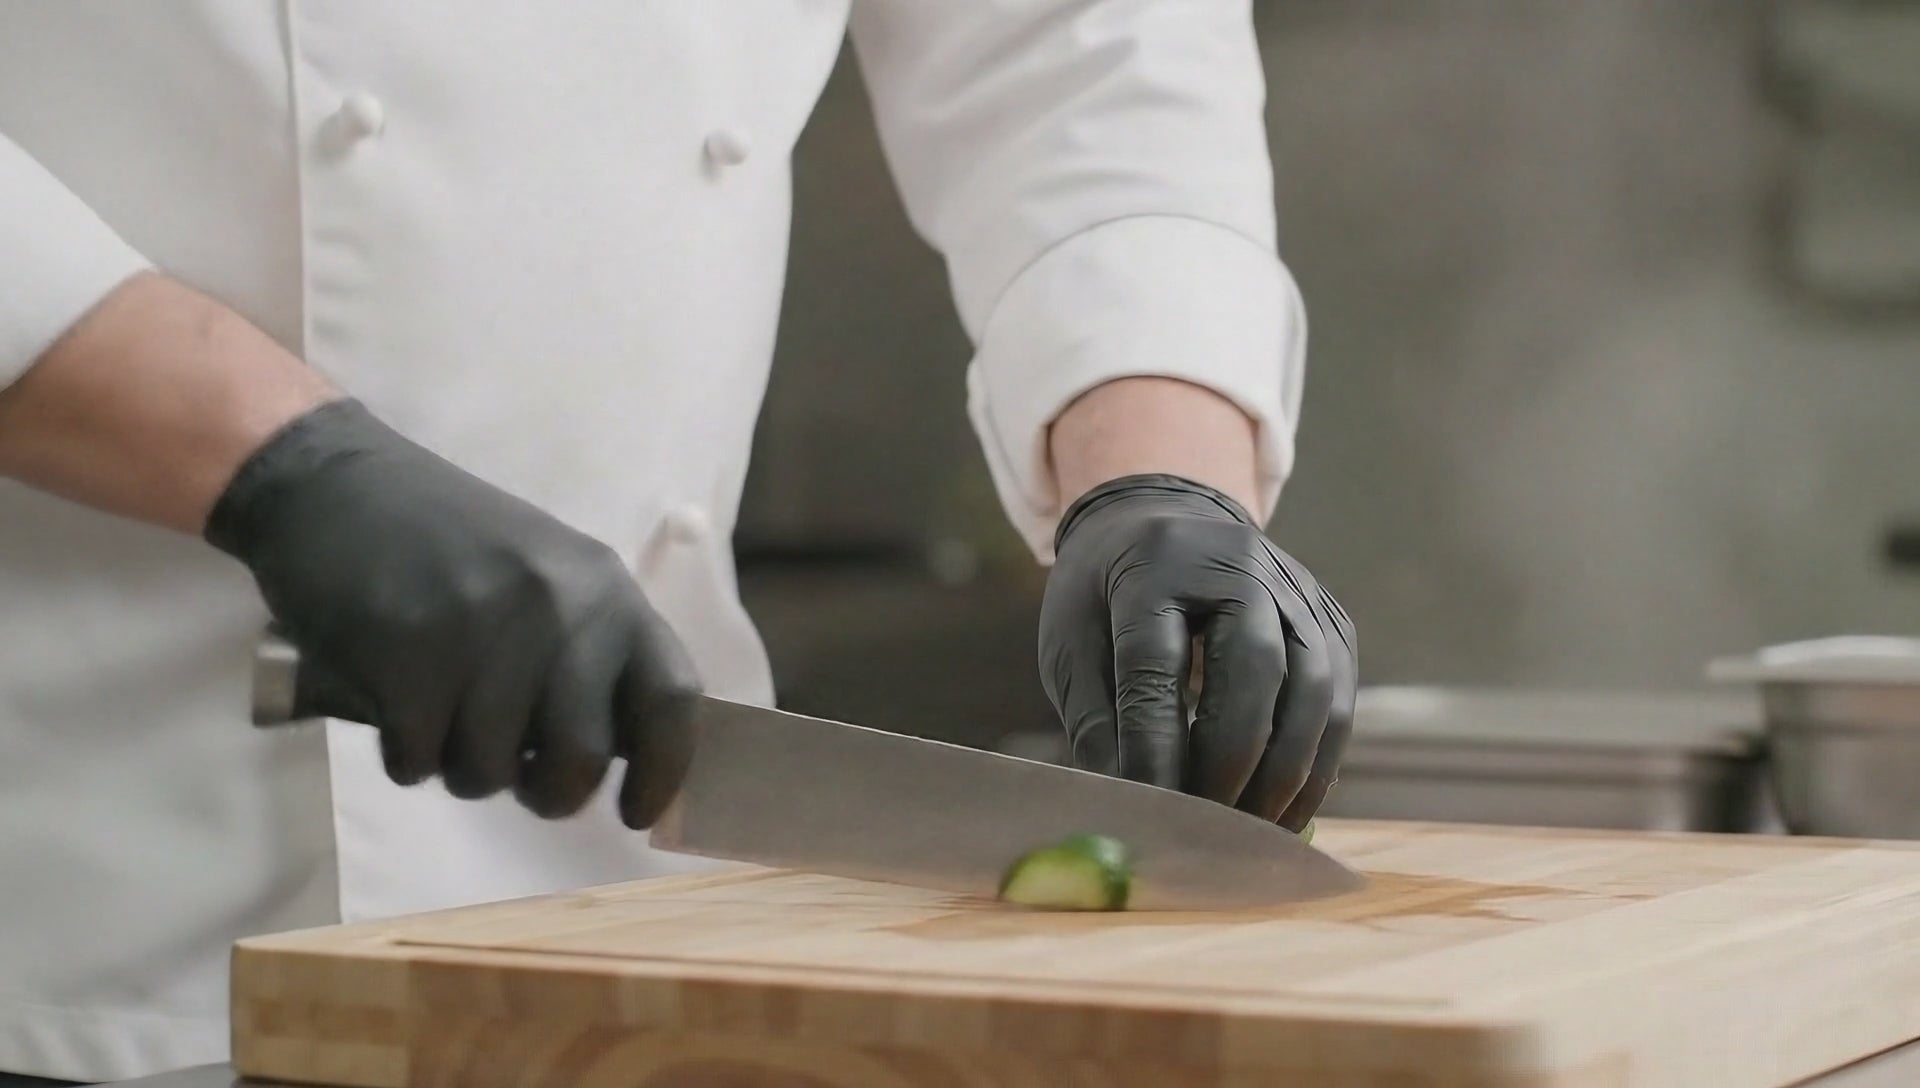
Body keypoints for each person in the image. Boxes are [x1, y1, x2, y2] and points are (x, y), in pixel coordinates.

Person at [0, 3, 1356, 1082]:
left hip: (631, 933)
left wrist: (1161, 475)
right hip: (78, 882)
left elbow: (1081, 54)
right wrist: (286, 470)